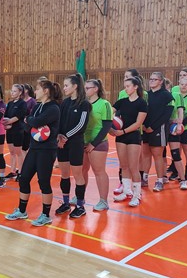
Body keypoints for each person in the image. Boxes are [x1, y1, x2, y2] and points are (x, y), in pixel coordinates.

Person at [5, 79, 61, 226]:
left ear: (46, 91)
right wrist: (31, 121)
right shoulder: (37, 106)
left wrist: (30, 120)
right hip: (34, 148)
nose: (35, 91)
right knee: (24, 178)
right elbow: (27, 125)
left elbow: (34, 122)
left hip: (47, 150)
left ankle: (45, 215)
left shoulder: (53, 108)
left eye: (37, 89)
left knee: (44, 182)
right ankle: (22, 211)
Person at [55, 73, 91, 219]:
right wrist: (59, 136)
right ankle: (65, 203)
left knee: (77, 175)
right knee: (64, 175)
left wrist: (66, 137)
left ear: (75, 86)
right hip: (62, 144)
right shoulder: (64, 103)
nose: (64, 88)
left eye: (66, 85)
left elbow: (81, 125)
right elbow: (59, 121)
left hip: (75, 143)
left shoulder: (84, 104)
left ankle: (80, 206)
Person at [111, 77, 148, 206]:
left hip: (133, 136)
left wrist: (123, 131)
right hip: (120, 137)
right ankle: (127, 192)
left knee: (133, 167)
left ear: (136, 87)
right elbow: (109, 112)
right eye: (125, 86)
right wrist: (110, 127)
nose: (125, 89)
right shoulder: (122, 102)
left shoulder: (142, 103)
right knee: (124, 165)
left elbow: (138, 123)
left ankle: (137, 195)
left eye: (128, 86)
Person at [80, 79, 112, 211]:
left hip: (98, 143)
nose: (85, 90)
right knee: (82, 170)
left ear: (96, 89)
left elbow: (107, 127)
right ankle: (80, 197)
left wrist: (93, 144)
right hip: (83, 141)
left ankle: (103, 201)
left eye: (88, 88)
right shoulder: (83, 104)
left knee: (99, 171)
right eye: (85, 88)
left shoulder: (104, 104)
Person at [141, 72, 174, 192]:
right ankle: (144, 178)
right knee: (145, 154)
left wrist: (153, 127)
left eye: (154, 79)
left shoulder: (167, 96)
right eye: (150, 79)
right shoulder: (146, 95)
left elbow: (166, 115)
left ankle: (160, 180)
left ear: (160, 81)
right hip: (145, 129)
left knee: (157, 155)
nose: (151, 81)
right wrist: (143, 125)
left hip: (159, 129)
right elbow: (142, 111)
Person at [168, 78, 187, 189]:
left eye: (186, 85)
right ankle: (176, 172)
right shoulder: (175, 96)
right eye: (182, 84)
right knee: (176, 150)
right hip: (174, 128)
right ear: (178, 85)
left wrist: (181, 125)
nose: (184, 86)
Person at [4, 84, 27, 180]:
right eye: (12, 91)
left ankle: (21, 172)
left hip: (18, 130)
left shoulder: (22, 103)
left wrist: (8, 122)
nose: (12, 93)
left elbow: (19, 116)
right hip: (9, 130)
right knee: (12, 152)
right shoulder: (10, 103)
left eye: (14, 91)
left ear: (20, 92)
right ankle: (12, 171)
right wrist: (5, 124)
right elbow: (5, 115)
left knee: (18, 152)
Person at [21, 83, 37, 161]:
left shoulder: (32, 101)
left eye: (22, 89)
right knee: (21, 147)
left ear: (26, 91)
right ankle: (24, 163)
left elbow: (34, 113)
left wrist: (27, 118)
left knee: (26, 147)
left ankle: (29, 162)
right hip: (20, 126)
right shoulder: (20, 101)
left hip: (28, 127)